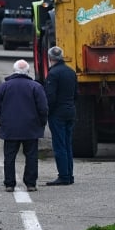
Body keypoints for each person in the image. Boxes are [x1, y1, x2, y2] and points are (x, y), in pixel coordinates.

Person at [0, 59, 48, 192]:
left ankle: (9, 184)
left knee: (9, 156)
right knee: (31, 156)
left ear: (14, 71)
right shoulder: (36, 86)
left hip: (10, 128)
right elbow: (43, 108)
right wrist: (41, 122)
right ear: (28, 71)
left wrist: (2, 120)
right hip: (31, 127)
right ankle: (30, 183)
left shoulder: (4, 86)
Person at [45, 46, 77, 186]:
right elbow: (76, 93)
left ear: (50, 58)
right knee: (68, 144)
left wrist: (46, 111)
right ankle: (69, 174)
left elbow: (50, 97)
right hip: (70, 110)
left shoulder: (53, 74)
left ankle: (63, 176)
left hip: (57, 113)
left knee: (59, 145)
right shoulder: (71, 72)